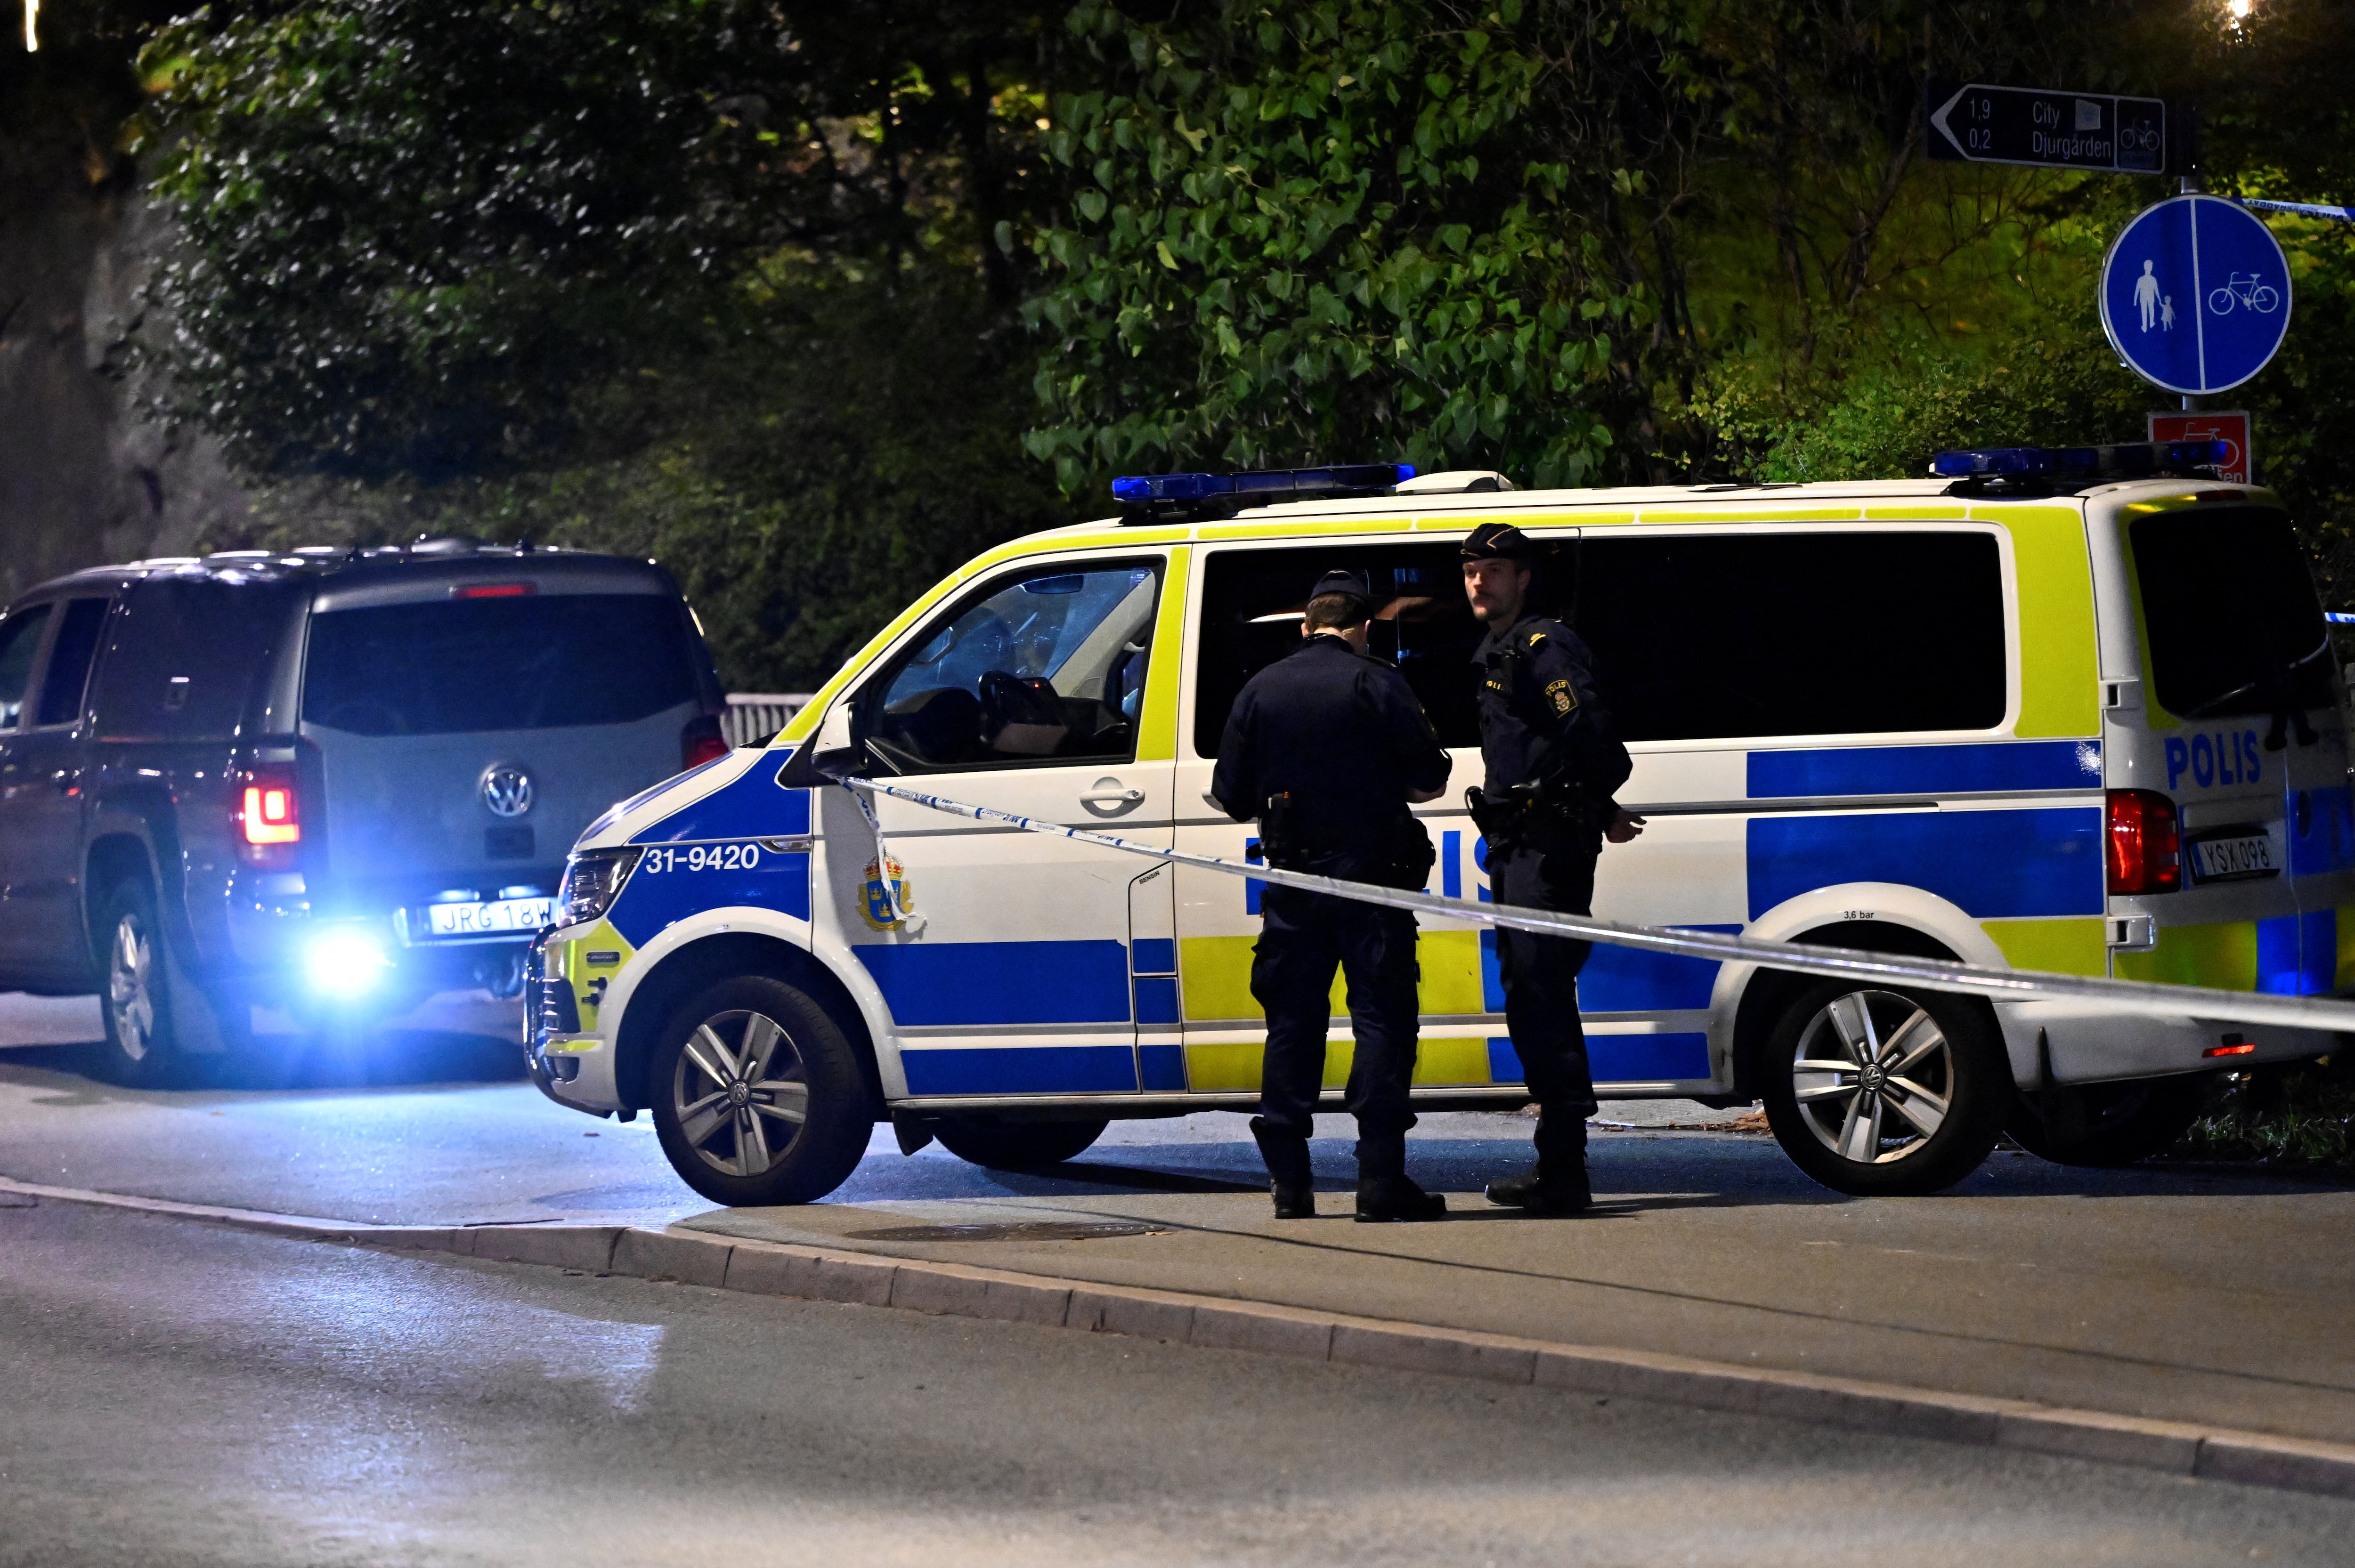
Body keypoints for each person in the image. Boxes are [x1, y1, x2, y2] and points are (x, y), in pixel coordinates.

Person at [1210, 569, 1453, 1222]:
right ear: (1364, 628)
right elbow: (1430, 777)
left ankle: (1291, 1186)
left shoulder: (1260, 689)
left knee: (1292, 1025)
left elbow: (1230, 795)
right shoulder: (1377, 681)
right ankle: (1379, 1182)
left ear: (1305, 625)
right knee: (1381, 1021)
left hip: (1294, 888)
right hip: (1372, 884)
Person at [1460, 521, 1642, 1216]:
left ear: (1523, 577)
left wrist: (1593, 803)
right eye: (1473, 570)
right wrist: (1598, 806)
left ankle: (1565, 1172)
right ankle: (1558, 1166)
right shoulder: (1501, 649)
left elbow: (1594, 739)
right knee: (1531, 999)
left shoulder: (1543, 648)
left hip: (1545, 849)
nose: (1481, 581)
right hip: (1520, 848)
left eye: (1496, 570)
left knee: (1542, 997)